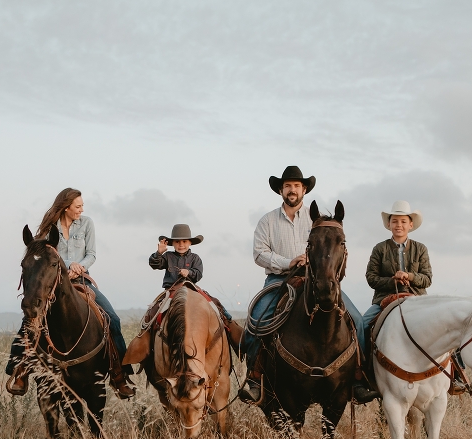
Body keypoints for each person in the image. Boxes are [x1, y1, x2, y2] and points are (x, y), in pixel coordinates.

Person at [238, 166, 366, 404]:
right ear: (281, 190)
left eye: (297, 185)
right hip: (279, 280)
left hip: (317, 280)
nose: (292, 190)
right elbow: (259, 254)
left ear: (304, 189)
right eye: (287, 186)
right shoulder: (267, 221)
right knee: (257, 318)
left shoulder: (317, 221)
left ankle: (359, 378)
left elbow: (332, 248)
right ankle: (255, 379)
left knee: (357, 319)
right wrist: (289, 262)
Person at [5, 188, 135, 399]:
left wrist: (79, 267)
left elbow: (92, 254)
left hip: (82, 279)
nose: (81, 210)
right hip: (54, 282)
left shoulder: (87, 223)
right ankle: (20, 368)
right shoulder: (49, 229)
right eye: (77, 206)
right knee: (30, 318)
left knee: (112, 318)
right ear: (66, 206)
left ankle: (119, 374)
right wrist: (67, 265)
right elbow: (42, 255)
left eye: (82, 206)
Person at [357, 200, 435, 401]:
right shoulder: (379, 249)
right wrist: (393, 280)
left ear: (410, 225)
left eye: (402, 221)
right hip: (385, 298)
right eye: (394, 221)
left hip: (417, 299)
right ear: (389, 224)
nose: (398, 225)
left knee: (443, 324)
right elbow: (371, 278)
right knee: (361, 326)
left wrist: (409, 277)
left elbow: (427, 278)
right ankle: (361, 374)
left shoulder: (421, 249)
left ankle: (454, 374)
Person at [148, 224, 243, 343]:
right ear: (172, 244)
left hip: (191, 289)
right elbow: (154, 264)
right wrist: (158, 253)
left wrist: (189, 272)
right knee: (154, 310)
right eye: (177, 242)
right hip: (171, 290)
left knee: (214, 303)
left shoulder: (195, 258)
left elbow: (198, 273)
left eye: (184, 241)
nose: (181, 245)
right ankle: (148, 340)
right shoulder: (167, 256)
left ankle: (229, 326)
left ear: (190, 243)